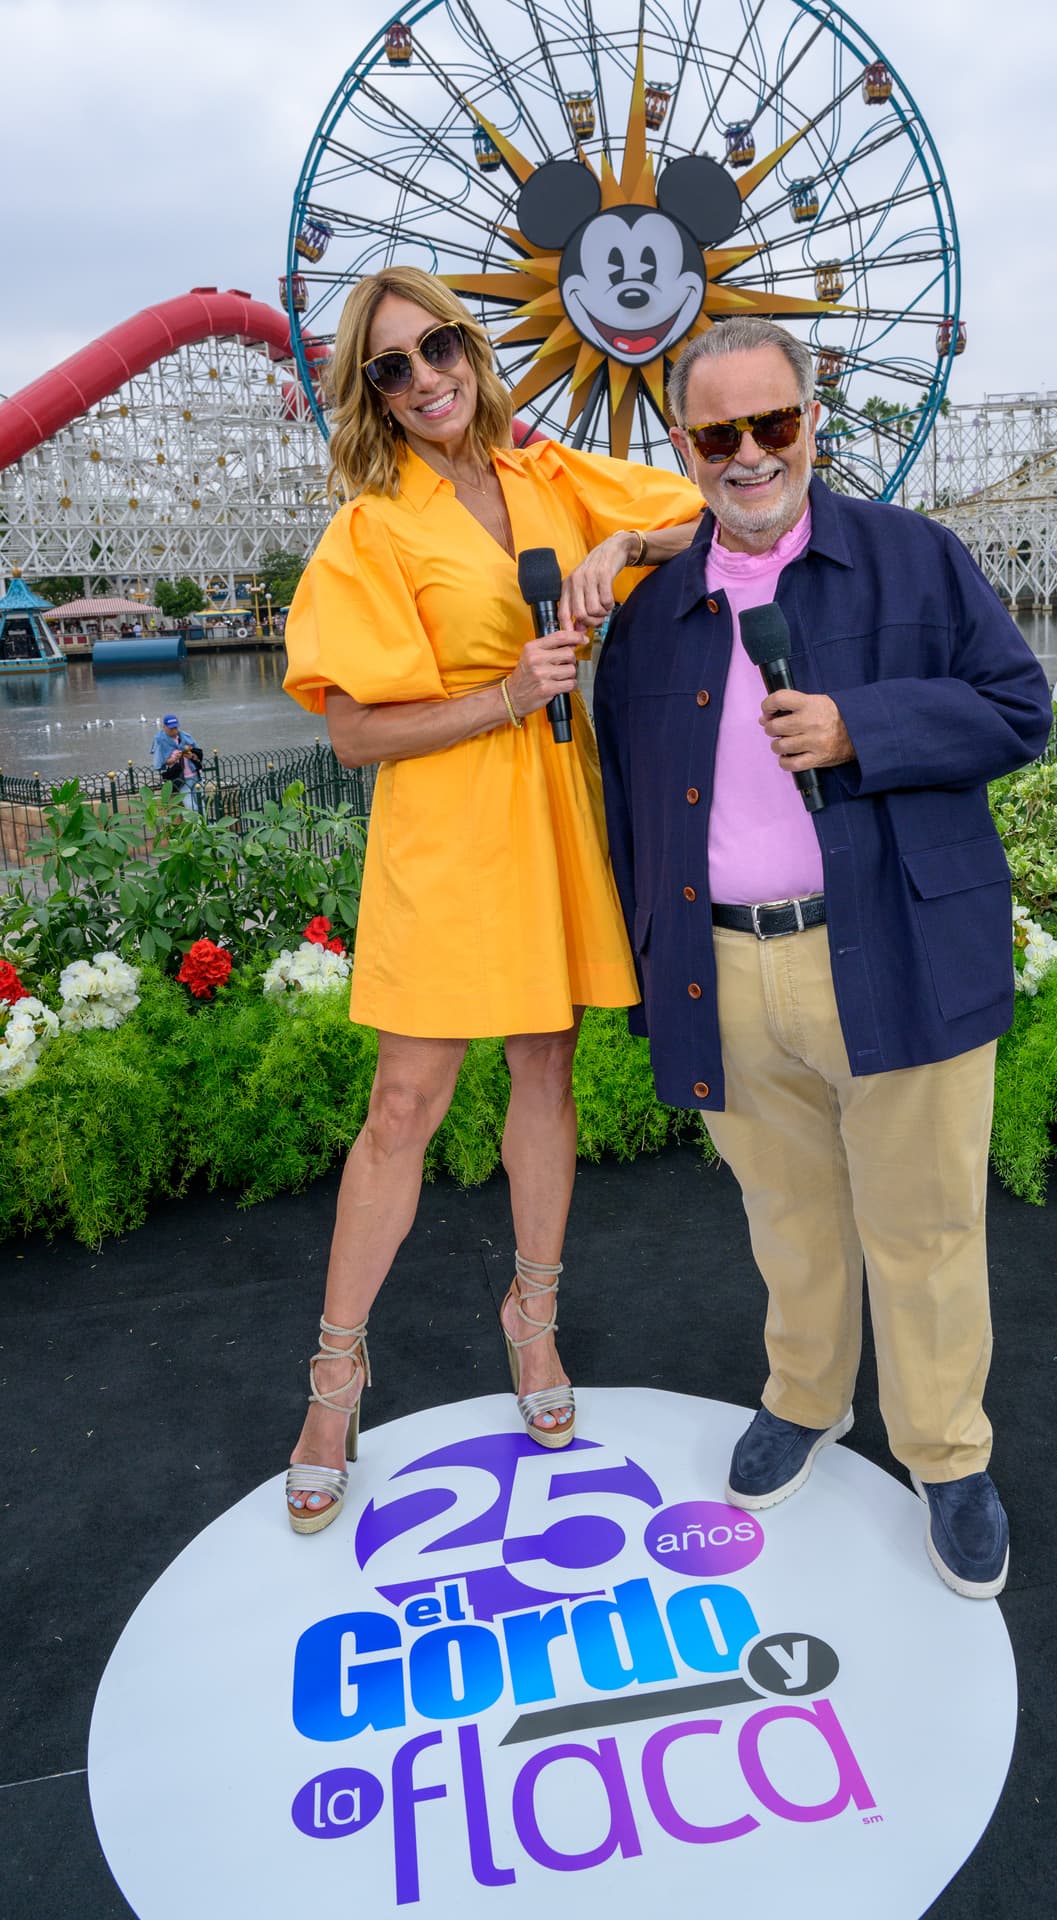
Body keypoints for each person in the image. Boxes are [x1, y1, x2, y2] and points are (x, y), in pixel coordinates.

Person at [594, 316, 1053, 1600]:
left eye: (772, 425)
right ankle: (805, 1397)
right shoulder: (652, 615)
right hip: (728, 970)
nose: (749, 454)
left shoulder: (915, 562)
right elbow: (631, 800)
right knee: (784, 1217)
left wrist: (861, 725)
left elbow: (1020, 711)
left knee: (920, 1226)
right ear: (685, 448)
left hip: (895, 946)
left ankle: (947, 1456)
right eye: (718, 433)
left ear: (811, 425)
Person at [280, 265, 703, 1534]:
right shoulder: (371, 528)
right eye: (389, 369)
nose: (423, 380)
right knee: (403, 1104)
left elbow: (696, 509)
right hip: (448, 828)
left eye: (437, 348)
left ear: (471, 346)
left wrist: (616, 548)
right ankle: (334, 1372)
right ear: (371, 397)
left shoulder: (547, 477)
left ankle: (534, 1314)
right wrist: (508, 696)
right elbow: (354, 734)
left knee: (546, 1074)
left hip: (554, 816)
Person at [150, 714, 202, 811]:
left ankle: (204, 825)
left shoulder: (185, 737)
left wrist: (191, 755)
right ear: (164, 727)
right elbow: (160, 763)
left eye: (176, 728)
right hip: (181, 779)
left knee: (201, 805)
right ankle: (196, 825)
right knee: (192, 808)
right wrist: (173, 759)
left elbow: (198, 755)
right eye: (171, 729)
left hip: (195, 776)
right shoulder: (161, 741)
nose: (174, 731)